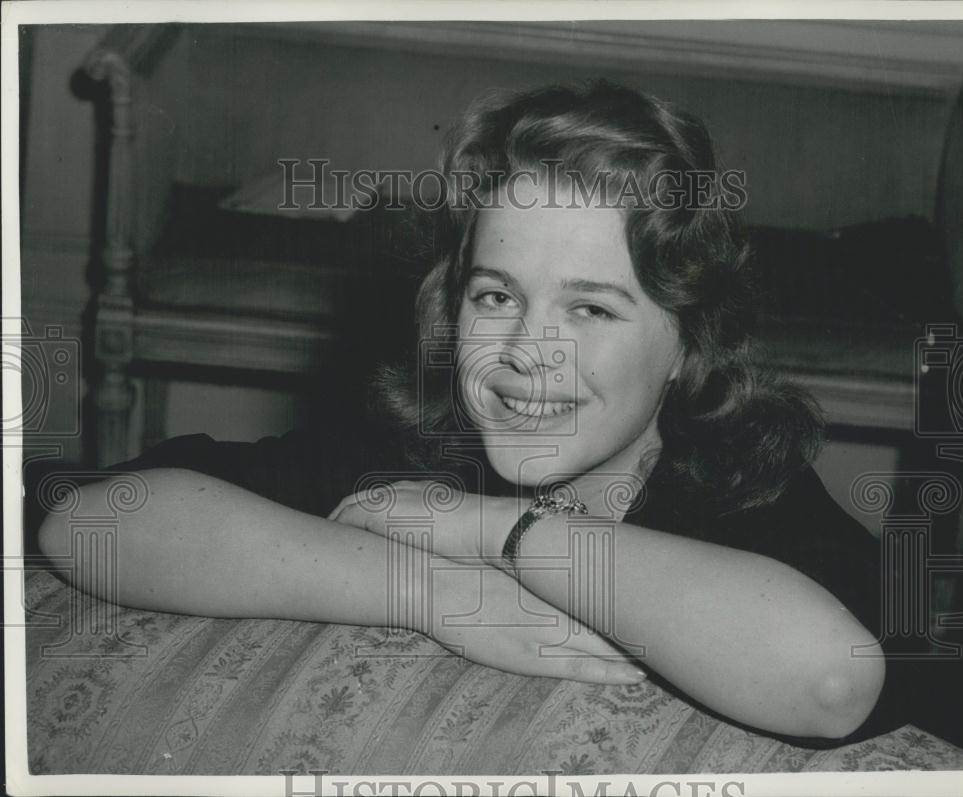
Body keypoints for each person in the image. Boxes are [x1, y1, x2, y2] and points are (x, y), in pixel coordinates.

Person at [39, 81, 903, 746]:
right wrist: (429, 591)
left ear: (688, 343)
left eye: (592, 309)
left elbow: (834, 679)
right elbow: (87, 521)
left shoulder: (744, 488)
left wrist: (494, 530)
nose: (529, 349)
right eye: (496, 295)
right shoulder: (419, 448)